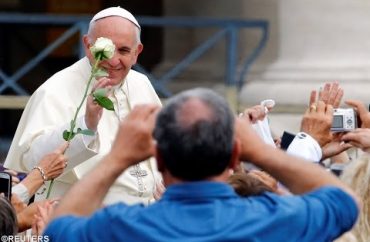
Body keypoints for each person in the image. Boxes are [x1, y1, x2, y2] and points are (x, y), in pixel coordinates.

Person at [44, 88, 360, 242]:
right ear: (235, 156)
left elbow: (59, 228)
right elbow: (345, 202)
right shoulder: (276, 220)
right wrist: (259, 151)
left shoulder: (121, 228)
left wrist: (117, 158)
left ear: (159, 159)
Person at [4, 7, 162, 205]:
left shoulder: (142, 84)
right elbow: (30, 160)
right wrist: (87, 125)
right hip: (82, 217)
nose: (113, 61)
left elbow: (161, 145)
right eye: (106, 50)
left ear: (137, 52)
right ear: (87, 44)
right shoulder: (53, 90)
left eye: (123, 50)